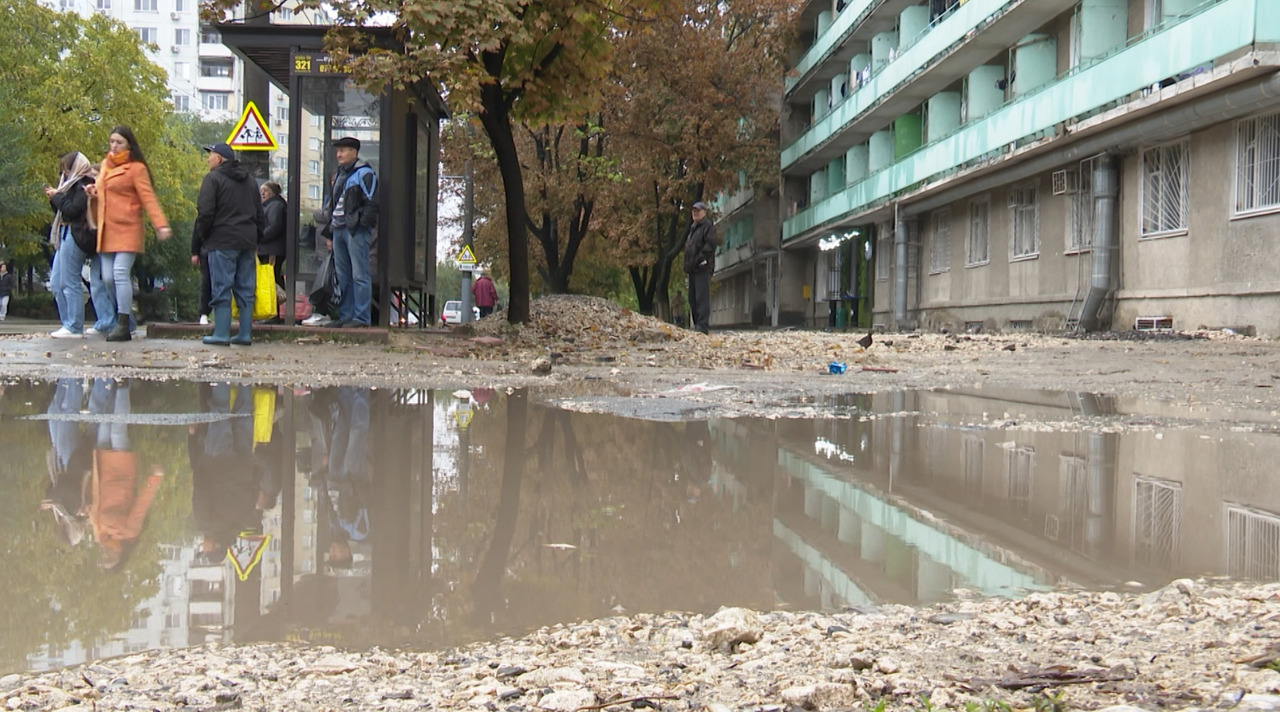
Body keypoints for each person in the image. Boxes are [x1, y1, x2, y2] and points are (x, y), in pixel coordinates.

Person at [86, 126, 173, 342]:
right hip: (107, 229)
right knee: (106, 278)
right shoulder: (105, 165)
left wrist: (160, 224)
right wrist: (94, 192)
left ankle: (123, 323)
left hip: (128, 227)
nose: (113, 146)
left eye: (119, 142)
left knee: (119, 272)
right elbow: (103, 192)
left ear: (129, 145)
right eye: (111, 141)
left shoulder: (136, 169)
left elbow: (148, 197)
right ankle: (125, 315)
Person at [191, 143, 264, 346]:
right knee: (245, 288)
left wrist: (205, 236)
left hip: (221, 241)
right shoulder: (250, 182)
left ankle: (221, 333)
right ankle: (244, 334)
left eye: (211, 155)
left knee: (221, 287)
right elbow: (260, 214)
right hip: (247, 242)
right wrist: (256, 238)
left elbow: (204, 212)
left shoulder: (212, 179)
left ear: (220, 158)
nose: (208, 159)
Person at [45, 153, 112, 338]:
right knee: (56, 282)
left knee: (69, 280)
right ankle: (67, 322)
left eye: (66, 169)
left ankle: (74, 325)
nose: (64, 173)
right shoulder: (68, 184)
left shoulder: (84, 184)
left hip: (75, 234)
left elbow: (73, 210)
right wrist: (55, 198)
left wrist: (57, 197)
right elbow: (62, 209)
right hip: (63, 232)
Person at [316, 136, 378, 328]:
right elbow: (335, 206)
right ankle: (345, 316)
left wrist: (361, 225)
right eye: (338, 151)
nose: (339, 154)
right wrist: (330, 233)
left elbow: (372, 203)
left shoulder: (365, 173)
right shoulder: (340, 174)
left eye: (343, 150)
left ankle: (361, 318)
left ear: (354, 152)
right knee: (343, 275)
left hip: (354, 231)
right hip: (339, 229)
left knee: (359, 274)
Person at [683, 201, 718, 335]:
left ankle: (702, 326)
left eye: (698, 211)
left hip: (702, 267)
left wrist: (698, 260)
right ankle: (697, 324)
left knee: (701, 297)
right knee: (692, 298)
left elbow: (710, 245)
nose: (695, 213)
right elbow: (690, 248)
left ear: (704, 212)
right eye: (693, 211)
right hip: (693, 268)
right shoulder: (693, 228)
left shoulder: (707, 226)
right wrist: (688, 264)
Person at [258, 181, 287, 296]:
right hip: (268, 249)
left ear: (273, 193)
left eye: (266, 191)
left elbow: (275, 226)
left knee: (272, 280)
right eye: (261, 191)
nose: (263, 194)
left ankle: (274, 310)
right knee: (272, 280)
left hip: (272, 250)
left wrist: (260, 237)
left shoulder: (275, 205)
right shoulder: (269, 206)